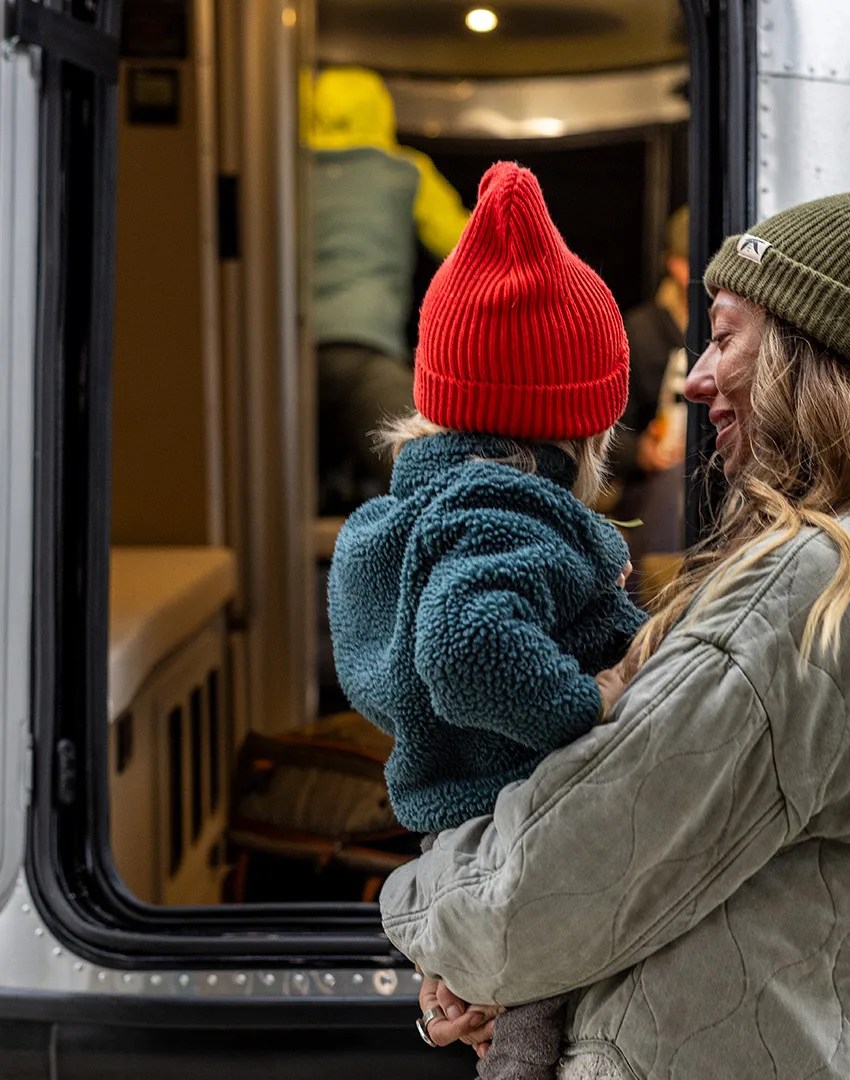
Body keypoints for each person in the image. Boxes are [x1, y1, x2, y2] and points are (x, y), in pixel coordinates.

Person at [379, 160, 850, 1078]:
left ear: (809, 358)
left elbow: (545, 893)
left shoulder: (803, 591)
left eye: (723, 339)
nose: (697, 378)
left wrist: (412, 909)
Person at [327, 161, 648, 1080]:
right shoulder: (509, 513)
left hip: (455, 835)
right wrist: (593, 692)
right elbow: (464, 648)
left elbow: (389, 659)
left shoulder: (400, 520)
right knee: (534, 1048)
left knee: (495, 1028)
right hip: (528, 832)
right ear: (577, 427)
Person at [307, 66, 470, 510]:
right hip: (368, 358)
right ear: (380, 110)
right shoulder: (406, 172)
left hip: (285, 364)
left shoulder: (282, 169)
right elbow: (467, 246)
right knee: (429, 483)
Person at [603, 206, 692, 560]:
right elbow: (607, 429)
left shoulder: (733, 323)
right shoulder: (639, 330)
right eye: (687, 262)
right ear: (673, 264)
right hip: (652, 485)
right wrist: (642, 450)